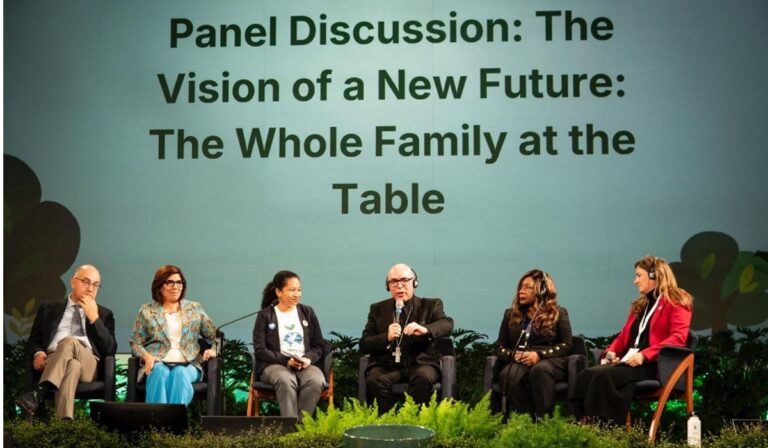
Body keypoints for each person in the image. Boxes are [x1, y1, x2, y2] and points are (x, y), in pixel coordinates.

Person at [572, 255, 693, 425]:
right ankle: (580, 423)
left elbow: (678, 338)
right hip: (629, 362)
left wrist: (645, 355)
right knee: (587, 374)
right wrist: (610, 353)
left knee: (604, 377)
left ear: (654, 275)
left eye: (639, 275)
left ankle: (605, 430)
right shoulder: (640, 305)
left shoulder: (677, 300)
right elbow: (624, 336)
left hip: (653, 365)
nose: (635, 281)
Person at [15, 264, 117, 420]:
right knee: (72, 365)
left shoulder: (104, 314)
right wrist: (38, 352)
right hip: (53, 360)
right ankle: (64, 425)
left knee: (69, 341)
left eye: (95, 285)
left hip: (89, 364)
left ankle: (39, 391)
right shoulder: (48, 308)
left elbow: (110, 350)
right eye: (86, 282)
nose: (91, 289)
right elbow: (33, 341)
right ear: (73, 282)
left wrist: (94, 318)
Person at [360, 263, 454, 414]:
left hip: (421, 363)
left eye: (404, 280)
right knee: (375, 379)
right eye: (394, 281)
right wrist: (386, 337)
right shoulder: (377, 309)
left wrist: (425, 330)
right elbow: (364, 344)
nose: (399, 286)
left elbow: (447, 324)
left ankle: (414, 423)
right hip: (388, 365)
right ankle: (389, 422)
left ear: (414, 282)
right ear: (388, 286)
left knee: (422, 377)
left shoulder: (430, 305)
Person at [129, 265, 217, 405]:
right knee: (159, 373)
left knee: (180, 374)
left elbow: (216, 336)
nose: (175, 286)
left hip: (189, 364)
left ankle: (173, 424)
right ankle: (157, 423)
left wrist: (213, 349)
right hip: (158, 362)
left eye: (179, 282)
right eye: (170, 282)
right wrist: (146, 356)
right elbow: (135, 343)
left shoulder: (194, 309)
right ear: (159, 286)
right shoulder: (146, 311)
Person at [494, 269, 573, 420]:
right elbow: (499, 346)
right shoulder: (510, 315)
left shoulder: (559, 313)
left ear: (542, 290)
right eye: (520, 287)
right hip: (520, 360)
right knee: (507, 375)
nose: (521, 291)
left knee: (540, 370)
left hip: (549, 361)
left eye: (527, 287)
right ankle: (531, 421)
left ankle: (545, 421)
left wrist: (539, 355)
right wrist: (514, 355)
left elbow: (567, 344)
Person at [252, 270, 328, 419]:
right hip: (274, 364)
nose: (297, 294)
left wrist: (307, 358)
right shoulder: (265, 315)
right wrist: (286, 361)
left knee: (316, 380)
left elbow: (319, 344)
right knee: (286, 380)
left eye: (299, 290)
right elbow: (260, 349)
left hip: (304, 364)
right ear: (279, 292)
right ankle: (289, 429)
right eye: (292, 290)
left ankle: (300, 428)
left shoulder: (308, 312)